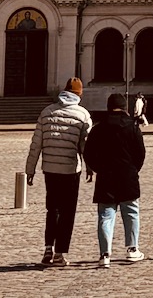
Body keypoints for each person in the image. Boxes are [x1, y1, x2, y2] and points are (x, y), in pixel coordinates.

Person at [25, 78, 93, 267]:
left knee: (52, 209)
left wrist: (30, 169)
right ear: (79, 94)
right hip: (71, 170)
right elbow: (85, 145)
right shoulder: (82, 114)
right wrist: (90, 167)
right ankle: (60, 253)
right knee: (67, 211)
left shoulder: (47, 112)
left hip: (50, 169)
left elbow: (35, 144)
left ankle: (48, 248)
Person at [84, 92, 146, 268]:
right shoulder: (133, 127)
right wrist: (133, 169)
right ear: (125, 107)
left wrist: (99, 168)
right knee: (131, 212)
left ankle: (105, 254)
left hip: (106, 176)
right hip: (127, 176)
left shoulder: (99, 128)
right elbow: (140, 153)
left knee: (105, 215)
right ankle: (132, 249)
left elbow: (89, 154)